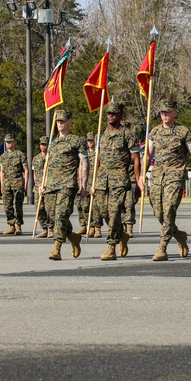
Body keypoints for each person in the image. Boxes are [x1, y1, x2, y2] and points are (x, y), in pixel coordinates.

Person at [141, 100, 191, 261]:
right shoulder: (154, 132)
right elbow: (147, 155)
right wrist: (141, 175)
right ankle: (179, 235)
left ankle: (162, 248)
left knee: (169, 211)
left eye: (168, 112)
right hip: (157, 176)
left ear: (175, 112)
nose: (164, 115)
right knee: (159, 213)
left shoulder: (183, 132)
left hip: (175, 176)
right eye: (162, 112)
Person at [95, 101, 141, 261]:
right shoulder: (101, 135)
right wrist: (93, 180)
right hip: (102, 179)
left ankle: (111, 247)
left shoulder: (127, 134)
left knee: (114, 213)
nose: (110, 116)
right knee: (104, 213)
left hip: (120, 179)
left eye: (114, 113)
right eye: (108, 113)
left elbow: (136, 159)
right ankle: (121, 235)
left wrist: (137, 180)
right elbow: (98, 159)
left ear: (121, 116)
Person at [43, 109, 88, 260]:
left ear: (70, 122)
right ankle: (73, 237)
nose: (60, 123)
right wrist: (43, 183)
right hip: (51, 185)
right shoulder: (53, 142)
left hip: (67, 184)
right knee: (53, 216)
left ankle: (57, 248)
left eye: (63, 121)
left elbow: (84, 163)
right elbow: (48, 165)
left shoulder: (76, 140)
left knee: (62, 215)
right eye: (58, 121)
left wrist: (84, 185)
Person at [0, 133, 28, 235]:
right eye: (7, 142)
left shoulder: (20, 155)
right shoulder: (3, 156)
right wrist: (1, 185)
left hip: (18, 182)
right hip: (7, 184)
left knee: (18, 205)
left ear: (15, 142)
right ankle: (11, 225)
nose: (8, 143)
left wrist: (26, 184)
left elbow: (26, 170)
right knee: (7, 206)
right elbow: (2, 172)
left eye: (10, 141)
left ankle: (18, 225)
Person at [31, 136, 51, 238]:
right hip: (38, 187)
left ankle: (51, 229)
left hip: (49, 187)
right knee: (39, 209)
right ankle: (44, 229)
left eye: (46, 144)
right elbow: (35, 173)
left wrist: (46, 184)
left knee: (50, 209)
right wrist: (37, 185)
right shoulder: (36, 158)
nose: (44, 146)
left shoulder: (51, 157)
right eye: (42, 144)